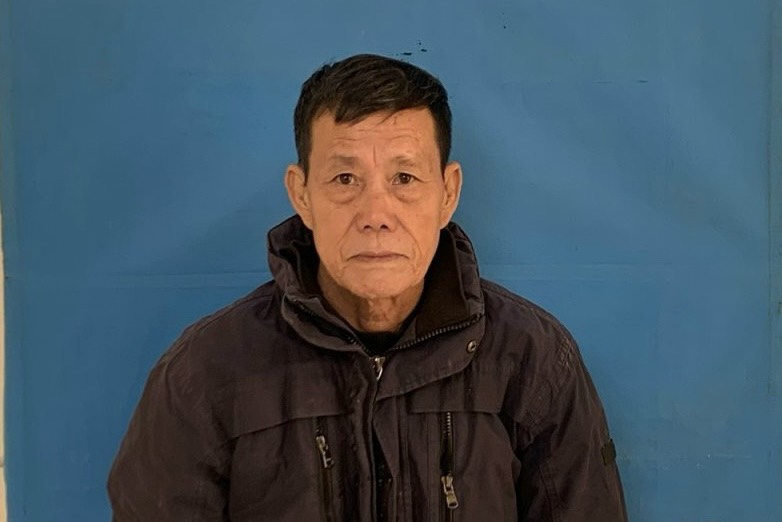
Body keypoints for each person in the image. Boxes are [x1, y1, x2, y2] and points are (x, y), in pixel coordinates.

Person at [108, 53, 628, 521]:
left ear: (448, 193)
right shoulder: (203, 375)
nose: (376, 214)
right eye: (345, 179)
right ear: (301, 194)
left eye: (404, 179)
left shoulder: (534, 361)